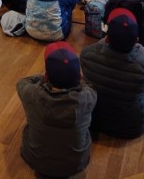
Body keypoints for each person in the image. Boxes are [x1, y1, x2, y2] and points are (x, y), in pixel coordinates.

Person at [16, 42, 97, 178]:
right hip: (75, 165)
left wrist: (42, 77)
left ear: (46, 77)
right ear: (79, 76)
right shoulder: (88, 97)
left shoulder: (31, 93)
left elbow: (22, 82)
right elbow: (88, 86)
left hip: (36, 161)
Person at [80, 9, 144, 138]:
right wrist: (142, 51)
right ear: (136, 40)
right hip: (130, 126)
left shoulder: (86, 53)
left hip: (95, 120)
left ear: (107, 39)